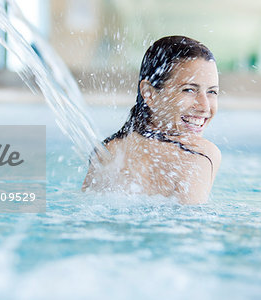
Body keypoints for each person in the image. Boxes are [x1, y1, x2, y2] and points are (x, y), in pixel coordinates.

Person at [82, 36, 221, 204]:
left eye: (212, 92)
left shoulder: (106, 151)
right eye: (189, 90)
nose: (204, 106)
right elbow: (191, 226)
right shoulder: (199, 155)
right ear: (149, 93)